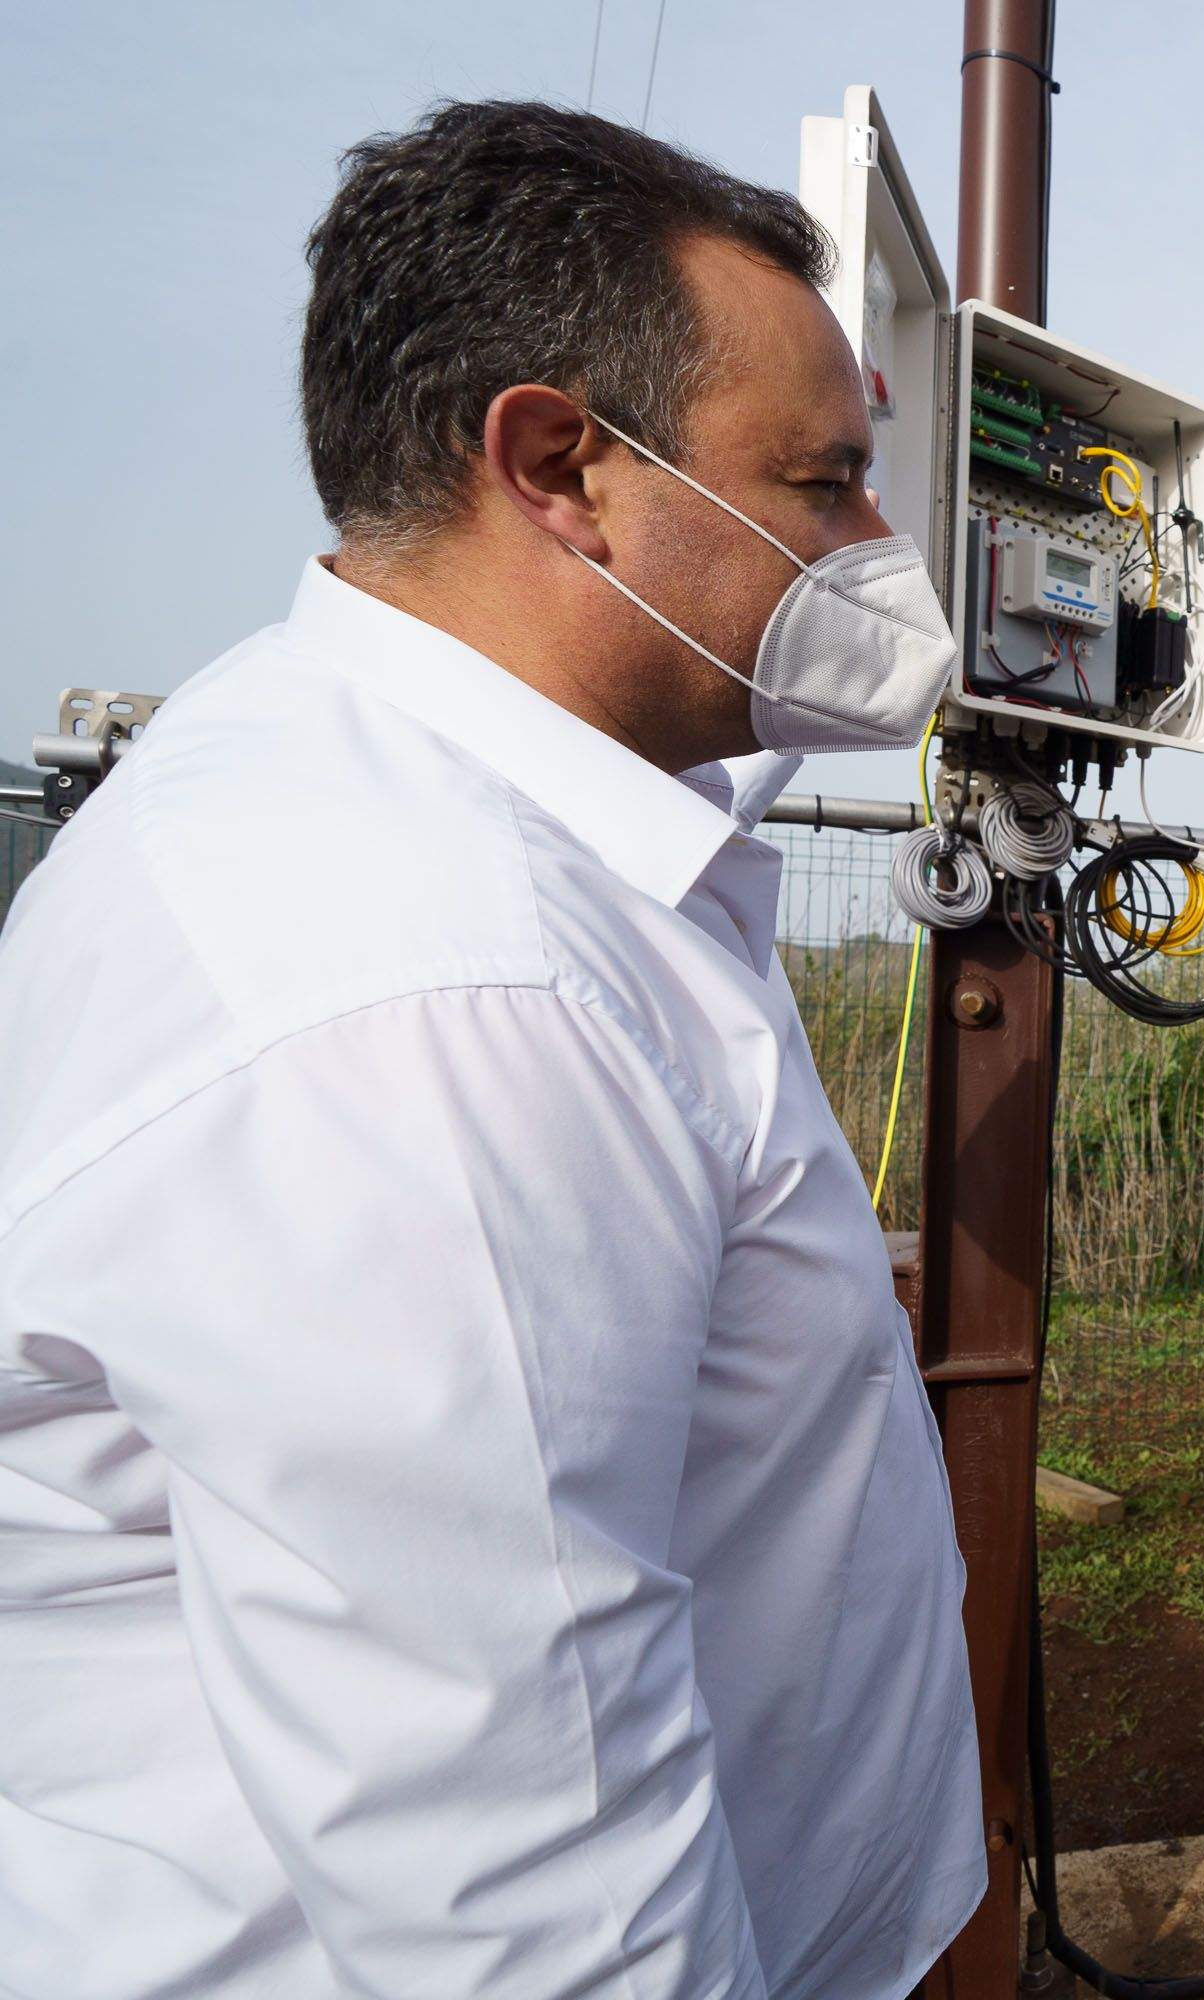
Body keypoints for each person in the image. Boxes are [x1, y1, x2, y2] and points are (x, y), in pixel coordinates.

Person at [0, 104, 982, 1994]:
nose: (882, 554)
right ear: (562, 468)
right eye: (828, 482)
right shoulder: (434, 991)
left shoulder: (459, 791)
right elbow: (541, 1913)